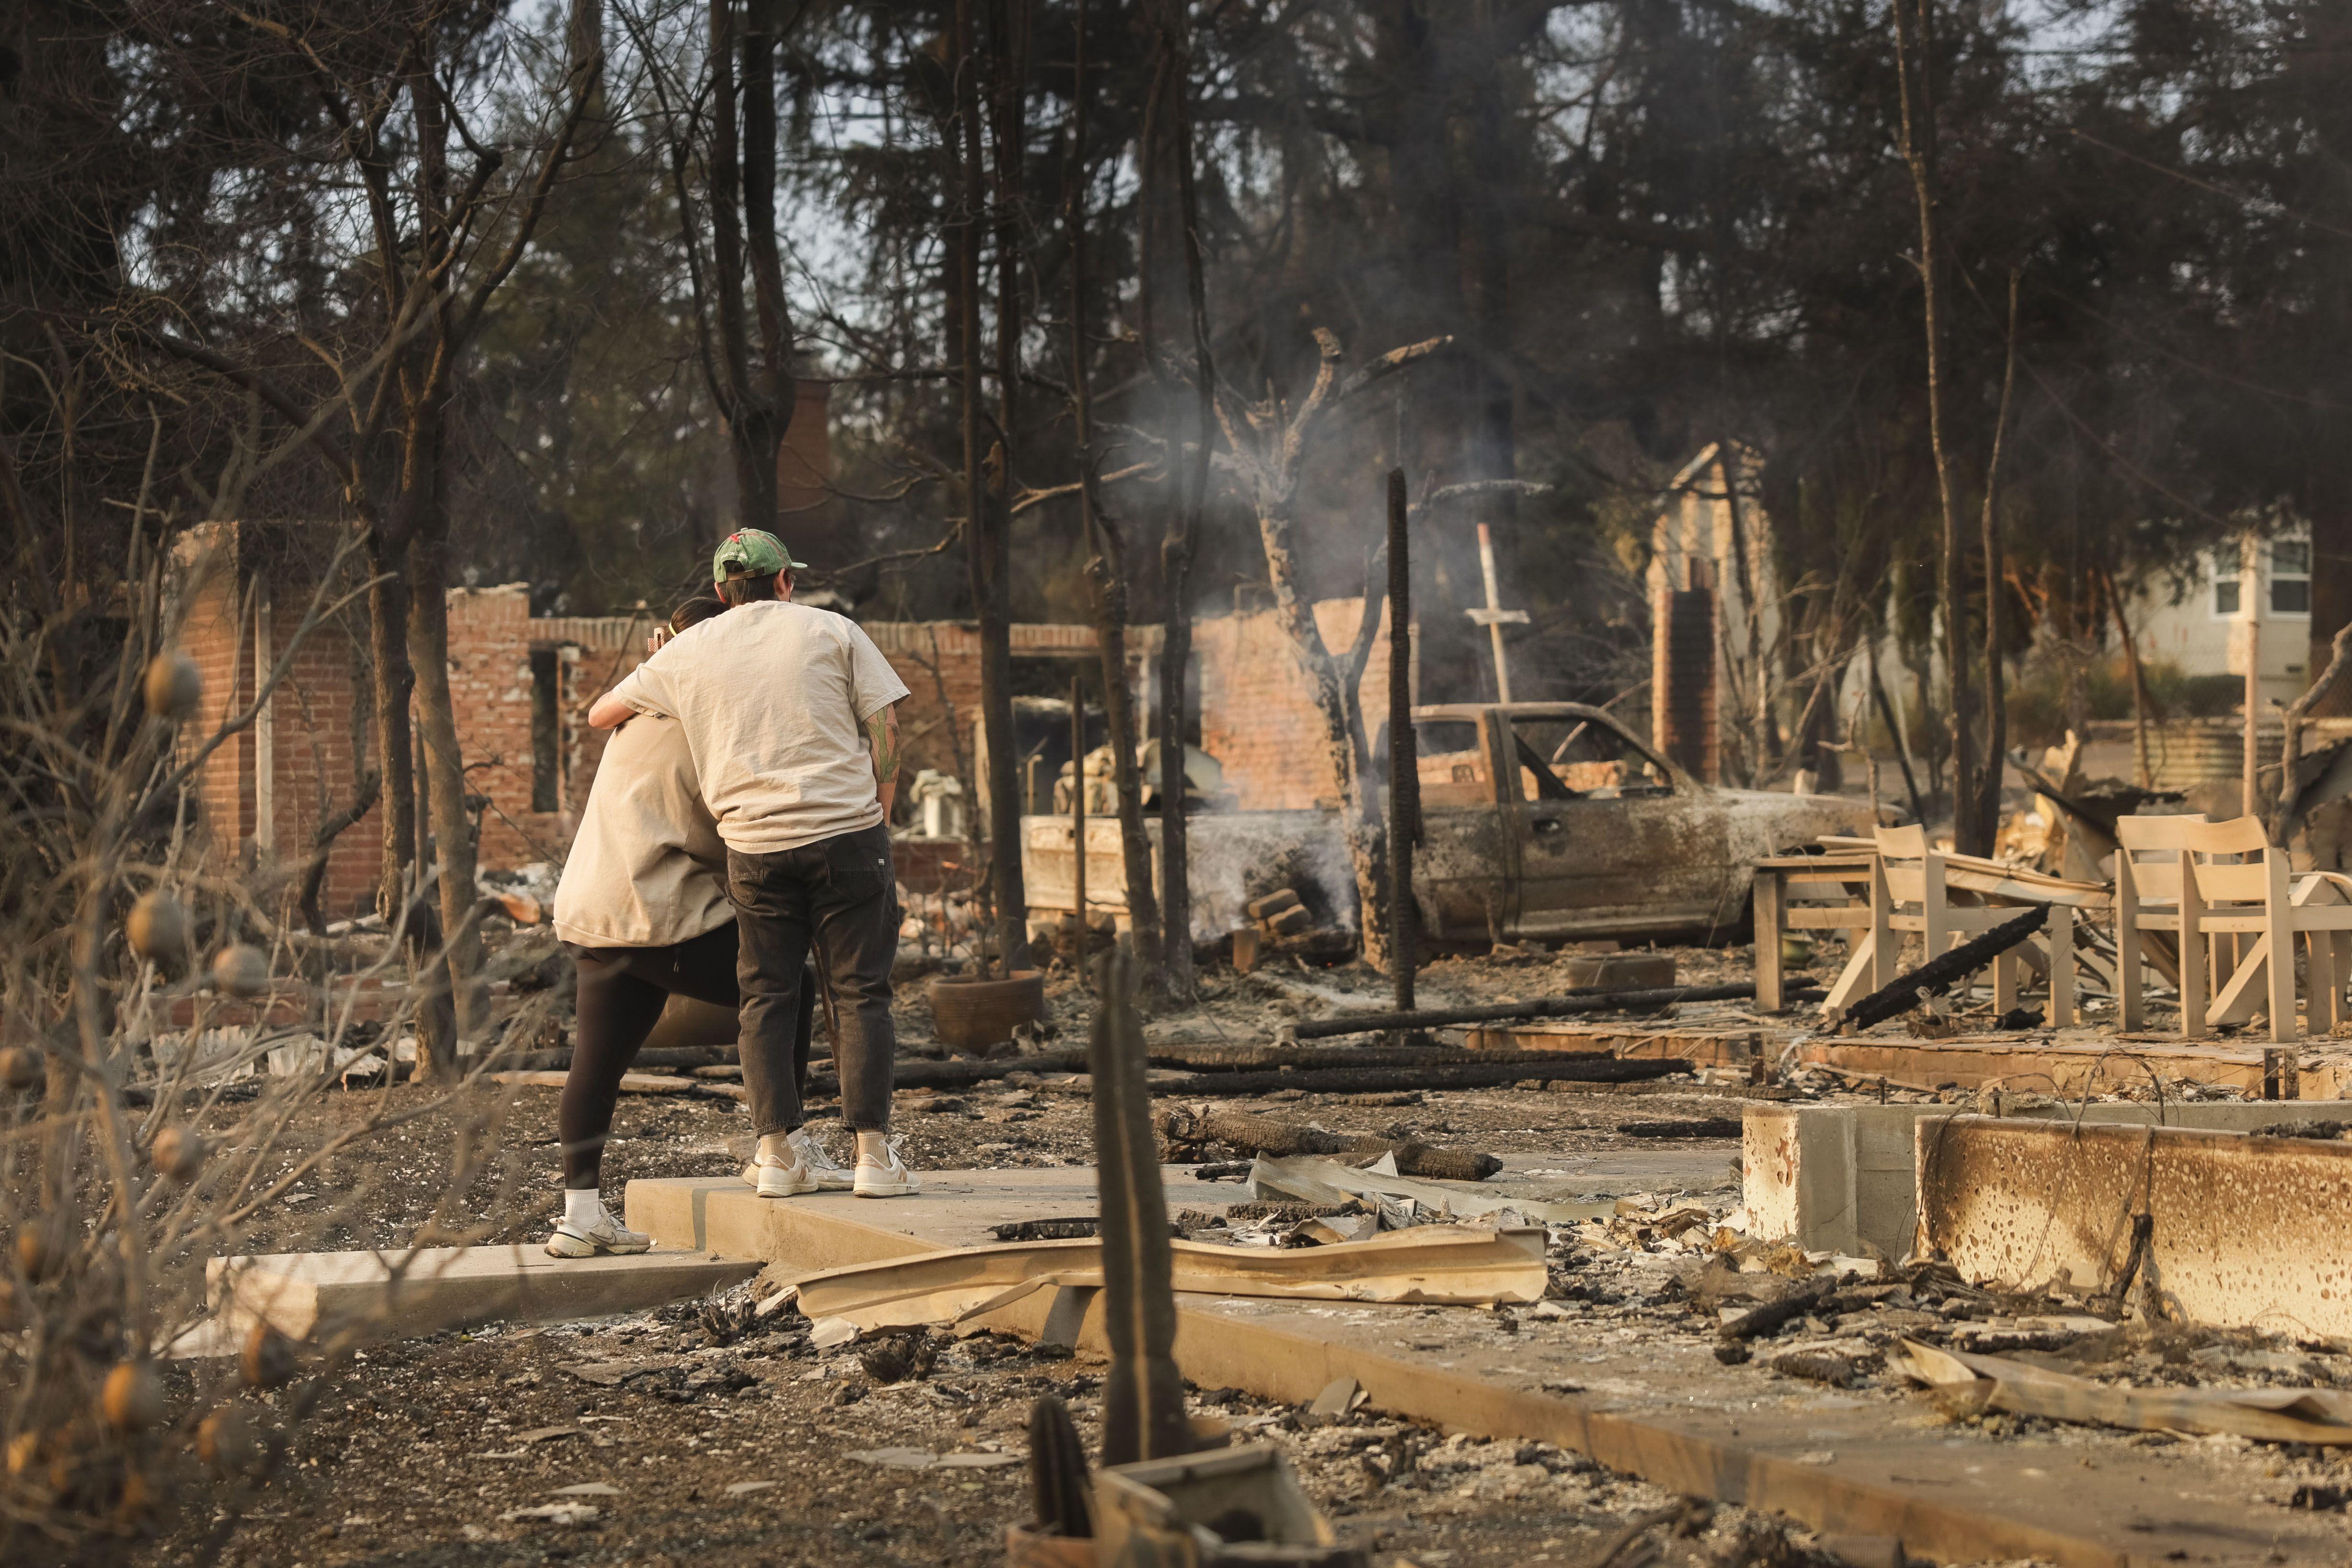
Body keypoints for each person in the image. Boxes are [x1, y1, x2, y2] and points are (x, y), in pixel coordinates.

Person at [587, 528, 916, 1198]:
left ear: (719, 592)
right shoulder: (833, 630)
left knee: (767, 995)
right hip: (847, 835)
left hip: (756, 847)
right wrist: (879, 814)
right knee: (860, 993)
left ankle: (775, 1155)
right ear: (786, 581)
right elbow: (885, 726)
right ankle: (873, 1158)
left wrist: (665, 668)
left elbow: (600, 714)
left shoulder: (691, 650)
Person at [543, 595, 844, 1259]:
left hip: (594, 907)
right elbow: (734, 823)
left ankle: (580, 1215)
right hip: (655, 907)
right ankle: (783, 1147)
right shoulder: (707, 716)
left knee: (597, 1060)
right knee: (781, 985)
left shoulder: (644, 708)